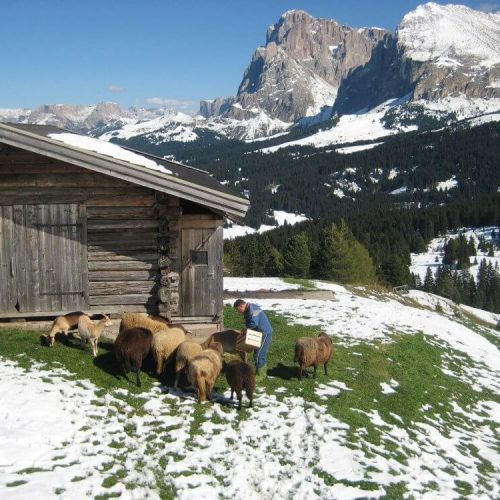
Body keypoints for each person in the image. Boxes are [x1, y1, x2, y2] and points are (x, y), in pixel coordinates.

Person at [233, 299, 273, 379]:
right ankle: (262, 372)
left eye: (238, 310)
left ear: (241, 306)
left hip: (264, 333)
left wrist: (246, 329)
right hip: (260, 333)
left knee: (258, 354)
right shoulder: (249, 309)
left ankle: (260, 375)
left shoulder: (253, 311)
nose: (238, 312)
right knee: (258, 353)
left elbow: (254, 323)